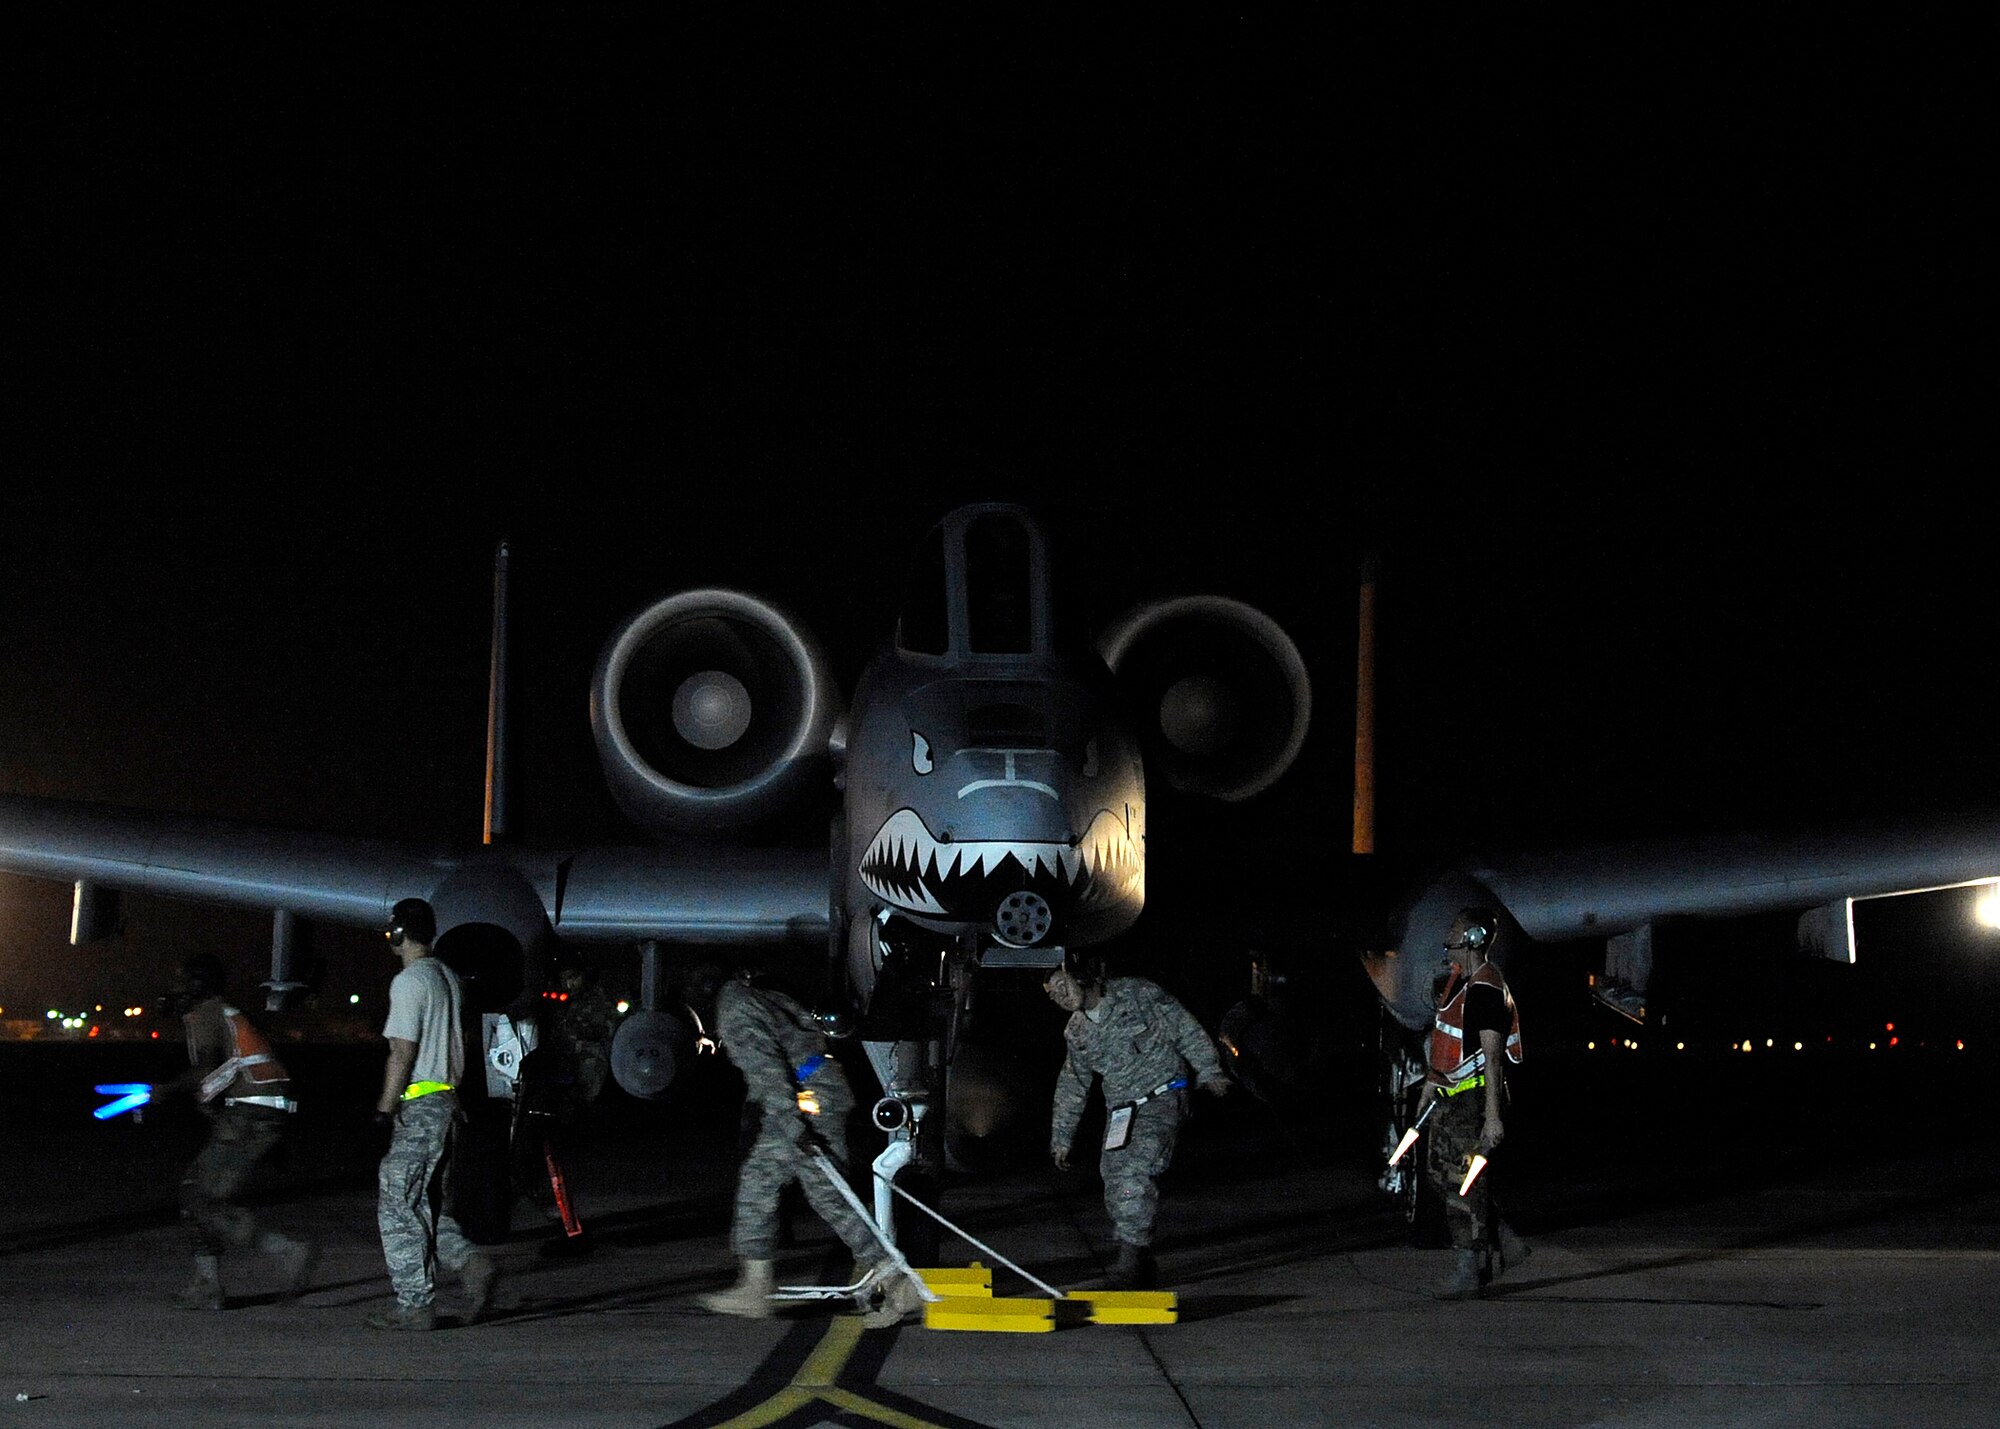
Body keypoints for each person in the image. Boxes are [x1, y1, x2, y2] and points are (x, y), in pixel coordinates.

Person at [689, 965, 925, 1329]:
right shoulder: (758, 995)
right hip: (821, 1090)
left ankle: (755, 1288)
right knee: (830, 1196)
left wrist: (792, 1124)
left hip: (806, 1100)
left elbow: (766, 1070)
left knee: (760, 1182)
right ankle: (897, 1280)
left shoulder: (733, 1009)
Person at [1045, 951, 1231, 1290]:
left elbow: (1183, 1027)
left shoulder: (1138, 994)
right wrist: (1062, 1136)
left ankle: (1130, 1258)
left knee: (1134, 1168)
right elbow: (1073, 1082)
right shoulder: (1077, 1033)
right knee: (1113, 1172)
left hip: (1162, 1092)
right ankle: (1138, 1253)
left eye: (1062, 985)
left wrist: (1209, 1070)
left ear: (1081, 976)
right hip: (1123, 1109)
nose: (1060, 997)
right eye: (1052, 993)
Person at [154, 952, 317, 1310]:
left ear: (197, 984)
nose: (175, 989)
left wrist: (162, 1092)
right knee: (200, 1196)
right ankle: (208, 1284)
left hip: (251, 1110)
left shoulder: (206, 1013)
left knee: (197, 1197)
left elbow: (203, 1071)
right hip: (262, 1109)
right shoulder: (227, 1011)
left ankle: (284, 1252)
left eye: (182, 981)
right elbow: (231, 1071)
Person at [368, 896, 499, 1330]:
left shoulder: (409, 982)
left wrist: (384, 1110)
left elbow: (402, 1051)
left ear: (398, 933)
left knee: (397, 1200)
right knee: (430, 1203)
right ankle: (471, 1263)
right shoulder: (447, 977)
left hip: (421, 1105)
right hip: (449, 1104)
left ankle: (414, 1303)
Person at [1420, 906, 1529, 1299]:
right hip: (1451, 1097)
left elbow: (1493, 1054)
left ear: (1473, 938)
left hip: (1473, 1101)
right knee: (1441, 1176)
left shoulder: (1485, 987)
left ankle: (1469, 1266)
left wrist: (1493, 1117)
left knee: (1461, 1186)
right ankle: (1505, 1241)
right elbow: (1445, 1047)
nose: (1447, 937)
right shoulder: (1459, 983)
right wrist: (1428, 1093)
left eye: (1454, 930)